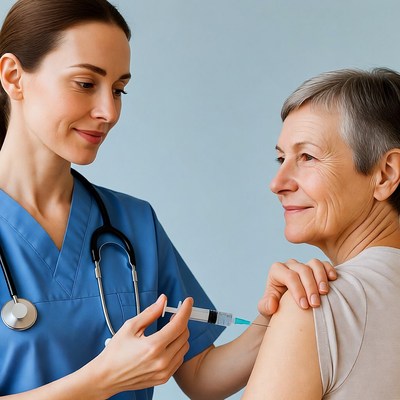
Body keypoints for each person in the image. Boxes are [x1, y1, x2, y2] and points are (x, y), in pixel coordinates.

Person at [0, 1, 338, 399]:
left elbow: (200, 377)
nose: (109, 111)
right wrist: (102, 380)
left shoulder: (132, 222)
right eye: (86, 84)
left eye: (119, 89)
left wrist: (271, 317)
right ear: (14, 76)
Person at [242, 67, 400, 399]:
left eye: (308, 156)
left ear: (385, 174)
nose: (277, 184)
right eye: (281, 158)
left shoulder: (313, 305)